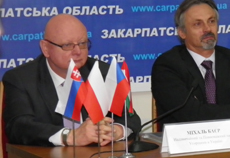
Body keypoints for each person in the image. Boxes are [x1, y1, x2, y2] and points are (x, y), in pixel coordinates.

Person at [2, 14, 142, 147]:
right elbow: (19, 127)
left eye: (82, 43)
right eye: (67, 45)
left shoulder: (102, 72)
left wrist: (115, 130)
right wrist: (70, 136)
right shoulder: (21, 79)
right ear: (46, 48)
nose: (78, 52)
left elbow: (130, 118)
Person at [151, 0, 230, 129]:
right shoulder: (167, 66)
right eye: (198, 24)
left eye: (211, 21)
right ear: (182, 33)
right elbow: (189, 115)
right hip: (186, 140)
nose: (207, 29)